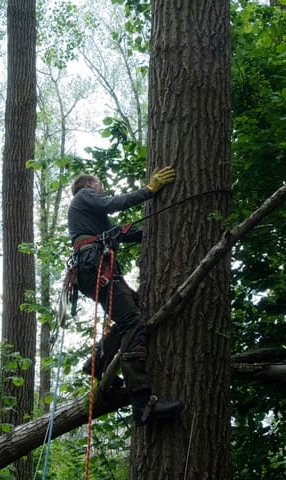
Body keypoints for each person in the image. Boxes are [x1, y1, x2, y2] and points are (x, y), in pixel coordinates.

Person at [67, 166, 183, 426]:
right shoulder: (85, 196)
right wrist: (149, 191)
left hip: (93, 267)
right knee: (133, 322)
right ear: (89, 186)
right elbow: (112, 203)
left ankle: (97, 362)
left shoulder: (94, 221)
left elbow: (120, 232)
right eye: (99, 186)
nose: (102, 189)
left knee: (131, 311)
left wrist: (155, 231)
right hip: (94, 265)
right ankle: (143, 402)